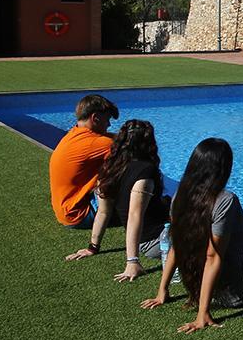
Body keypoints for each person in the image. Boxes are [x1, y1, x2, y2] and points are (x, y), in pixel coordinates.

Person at [140, 138, 243, 333]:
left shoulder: (180, 197)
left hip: (198, 288)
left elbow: (176, 245)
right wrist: (203, 314)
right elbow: (213, 256)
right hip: (235, 293)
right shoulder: (226, 201)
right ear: (224, 168)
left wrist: (162, 290)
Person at [64, 120, 168, 282]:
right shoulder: (146, 172)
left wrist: (93, 247)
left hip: (149, 239)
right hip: (157, 240)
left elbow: (103, 211)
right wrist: (132, 261)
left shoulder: (110, 169)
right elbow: (135, 216)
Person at [49, 94, 119, 227]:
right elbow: (132, 145)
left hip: (65, 209)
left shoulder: (75, 134)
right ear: (95, 118)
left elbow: (111, 137)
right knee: (135, 172)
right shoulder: (95, 143)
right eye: (107, 119)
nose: (109, 125)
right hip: (79, 214)